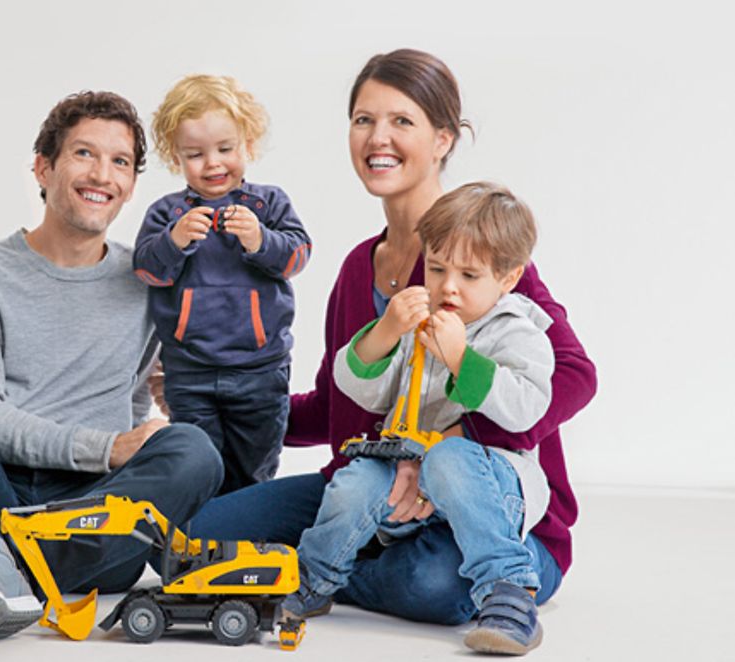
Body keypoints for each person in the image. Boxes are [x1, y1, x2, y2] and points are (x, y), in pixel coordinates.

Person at [189, 49, 597, 653]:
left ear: (443, 139)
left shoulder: (483, 261)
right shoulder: (359, 267)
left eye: (401, 121)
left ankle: (323, 573)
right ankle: (329, 565)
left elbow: (574, 377)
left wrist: (452, 447)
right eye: (363, 120)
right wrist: (225, 404)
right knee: (205, 531)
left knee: (433, 584)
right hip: (372, 477)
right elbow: (338, 399)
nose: (378, 138)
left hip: (477, 493)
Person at [0, 91, 223, 644]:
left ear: (132, 185)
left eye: (119, 163)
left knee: (192, 449)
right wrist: (106, 446)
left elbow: (179, 386)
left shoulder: (150, 280)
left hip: (94, 513)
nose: (102, 175)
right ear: (43, 168)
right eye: (85, 154)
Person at [283, 182, 555, 655]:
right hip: (407, 469)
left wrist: (461, 360)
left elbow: (527, 409)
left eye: (469, 275)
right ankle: (314, 580)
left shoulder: (520, 331)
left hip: (487, 484)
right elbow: (360, 388)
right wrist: (387, 331)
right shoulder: (419, 322)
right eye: (436, 268)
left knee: (450, 458)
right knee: (355, 482)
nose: (448, 286)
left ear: (509, 278)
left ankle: (509, 592)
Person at [133, 75, 311, 494]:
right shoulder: (167, 213)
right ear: (176, 158)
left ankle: (247, 547)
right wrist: (174, 242)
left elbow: (298, 256)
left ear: (247, 145)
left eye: (225, 149)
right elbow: (146, 270)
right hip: (190, 374)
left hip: (260, 372)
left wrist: (260, 240)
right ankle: (200, 551)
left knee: (254, 470)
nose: (212, 163)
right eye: (195, 154)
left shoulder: (268, 205)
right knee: (198, 471)